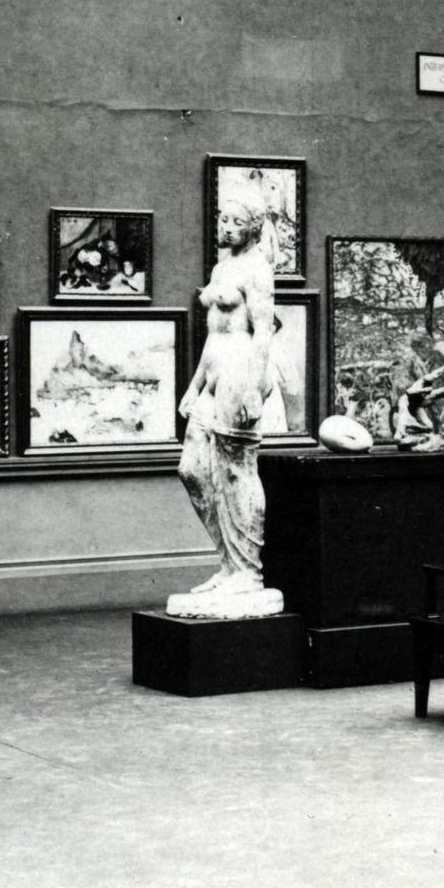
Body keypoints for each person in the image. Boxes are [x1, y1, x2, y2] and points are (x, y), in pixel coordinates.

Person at [172, 212, 284, 610]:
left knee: (236, 469)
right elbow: (215, 332)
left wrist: (255, 387)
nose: (226, 225)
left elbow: (263, 330)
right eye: (222, 218)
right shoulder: (223, 265)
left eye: (237, 220)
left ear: (254, 227)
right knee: (193, 469)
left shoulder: (258, 269)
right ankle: (228, 565)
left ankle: (248, 572)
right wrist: (195, 384)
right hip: (215, 366)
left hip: (241, 371)